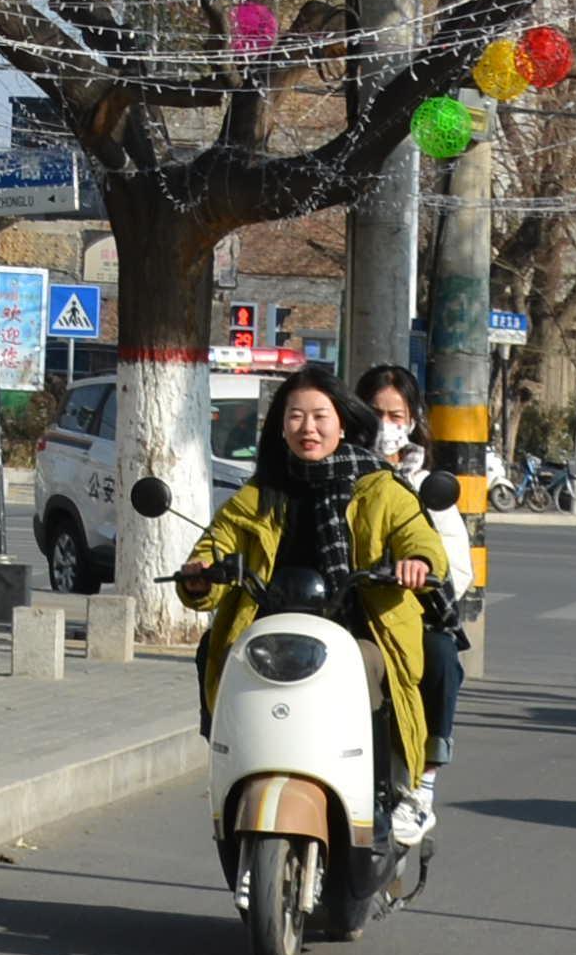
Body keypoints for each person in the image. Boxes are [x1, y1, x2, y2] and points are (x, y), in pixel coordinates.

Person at [172, 372, 453, 842]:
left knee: (365, 667)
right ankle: (231, 758)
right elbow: (216, 544)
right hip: (273, 634)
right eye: (296, 416)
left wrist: (417, 562)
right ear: (280, 427)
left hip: (359, 632)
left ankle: (386, 787)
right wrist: (200, 575)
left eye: (320, 416)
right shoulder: (256, 497)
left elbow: (419, 538)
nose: (308, 428)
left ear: (342, 424)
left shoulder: (381, 489)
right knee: (215, 652)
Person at [352, 359, 470, 774]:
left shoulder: (422, 484)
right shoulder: (334, 472)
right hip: (342, 608)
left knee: (440, 655)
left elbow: (455, 562)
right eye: (374, 413)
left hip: (409, 612)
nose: (384, 425)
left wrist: (419, 569)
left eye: (395, 415)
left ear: (413, 420)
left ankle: (427, 774)